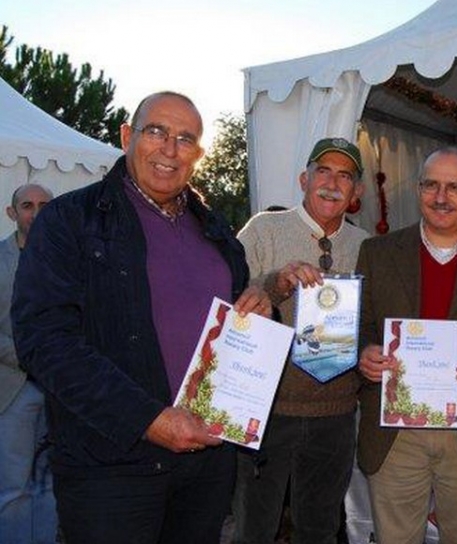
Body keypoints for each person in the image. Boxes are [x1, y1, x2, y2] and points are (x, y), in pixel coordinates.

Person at [11, 91, 271, 544]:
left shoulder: (216, 230)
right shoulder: (70, 220)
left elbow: (232, 316)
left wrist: (259, 306)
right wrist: (147, 418)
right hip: (110, 465)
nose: (170, 149)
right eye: (157, 132)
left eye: (185, 139)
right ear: (127, 136)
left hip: (205, 462)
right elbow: (43, 340)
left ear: (198, 154)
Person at [356, 146, 457, 544]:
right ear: (418, 189)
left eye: (455, 187)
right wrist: (364, 352)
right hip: (394, 432)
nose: (441, 197)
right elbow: (359, 325)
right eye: (431, 185)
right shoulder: (376, 252)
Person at [233, 137, 369, 544]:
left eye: (344, 175)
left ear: (357, 191)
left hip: (336, 413)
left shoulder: (368, 246)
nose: (332, 182)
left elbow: (377, 321)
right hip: (267, 409)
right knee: (254, 528)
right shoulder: (263, 230)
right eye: (323, 171)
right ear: (303, 178)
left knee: (320, 529)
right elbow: (231, 298)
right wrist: (276, 283)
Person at [0, 183, 56, 543]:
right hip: (12, 388)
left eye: (43, 206)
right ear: (12, 213)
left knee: (50, 483)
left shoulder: (69, 260)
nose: (35, 213)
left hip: (59, 389)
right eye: (27, 205)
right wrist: (31, 357)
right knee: (13, 487)